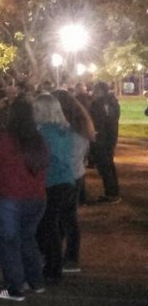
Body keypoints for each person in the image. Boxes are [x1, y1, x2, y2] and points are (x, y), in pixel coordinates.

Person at [0, 97, 50, 301]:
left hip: (8, 197)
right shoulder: (38, 140)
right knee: (27, 238)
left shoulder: (3, 140)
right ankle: (35, 281)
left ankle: (14, 287)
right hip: (36, 197)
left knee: (8, 242)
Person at [33, 93, 75, 283]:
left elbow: (43, 159)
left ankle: (52, 267)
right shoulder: (64, 129)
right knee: (54, 225)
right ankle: (52, 264)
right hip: (67, 181)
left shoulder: (44, 132)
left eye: (36, 109)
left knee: (47, 226)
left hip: (52, 181)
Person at [52, 89, 95, 274]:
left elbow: (65, 156)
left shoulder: (69, 131)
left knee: (65, 219)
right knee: (67, 218)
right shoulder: (81, 127)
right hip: (76, 175)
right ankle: (66, 255)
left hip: (66, 177)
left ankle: (70, 258)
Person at [88, 82, 121, 203]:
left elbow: (98, 122)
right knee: (109, 165)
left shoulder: (98, 104)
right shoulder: (113, 102)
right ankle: (113, 192)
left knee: (105, 167)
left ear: (100, 91)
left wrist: (95, 136)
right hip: (110, 138)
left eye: (95, 90)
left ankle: (111, 194)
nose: (93, 92)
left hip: (101, 139)